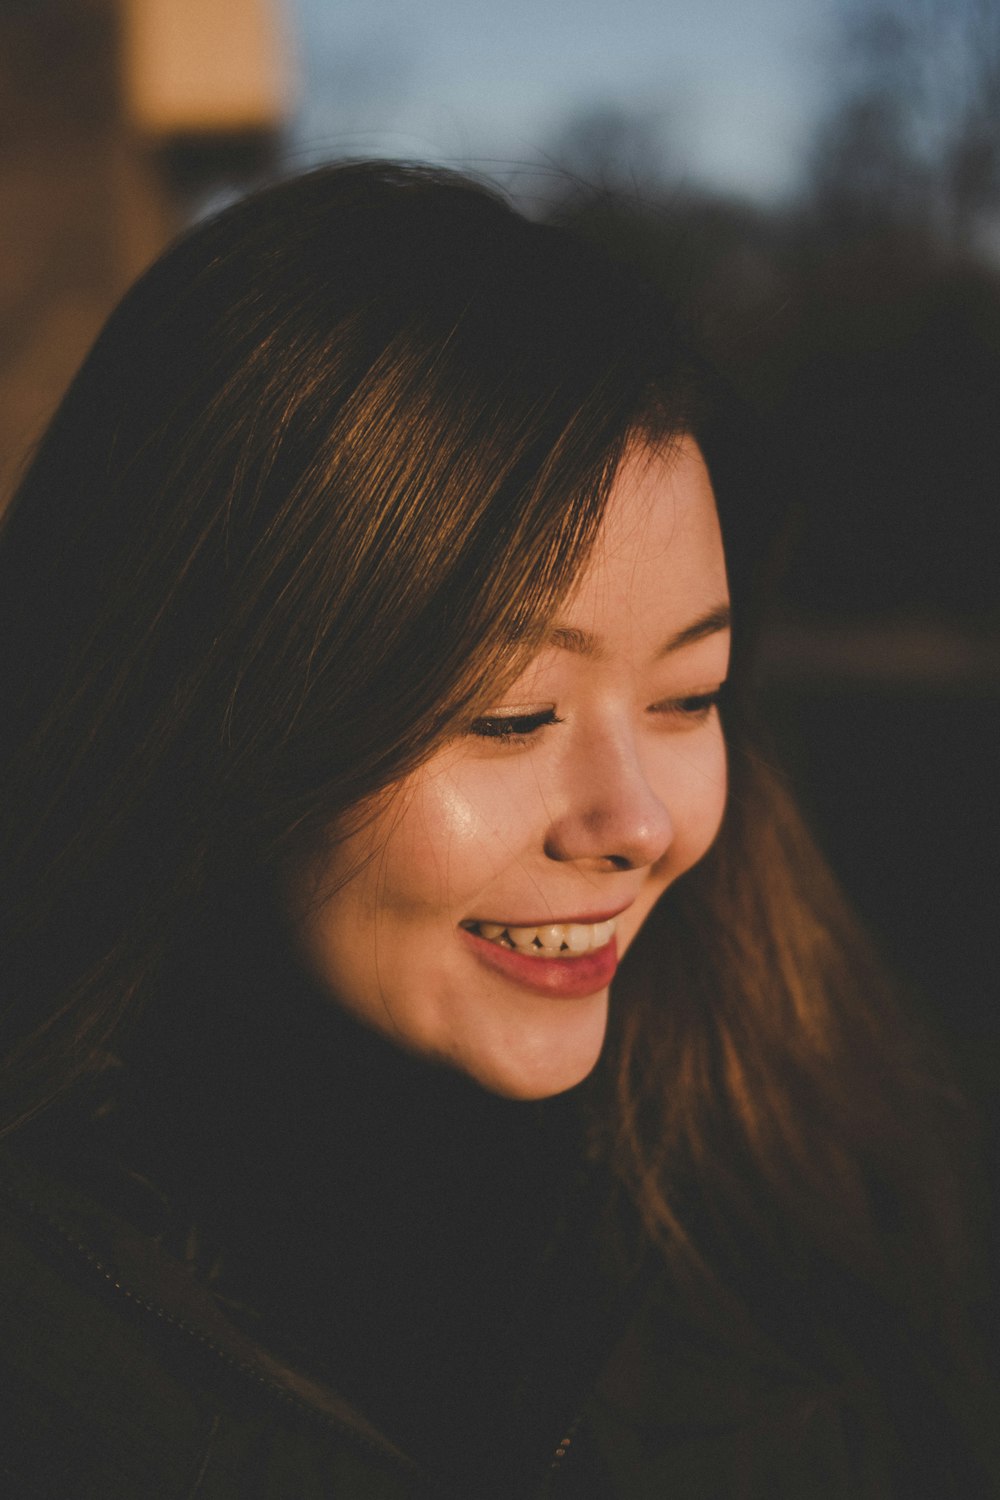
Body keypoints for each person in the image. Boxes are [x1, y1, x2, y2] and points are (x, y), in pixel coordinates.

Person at [0, 160, 993, 1499]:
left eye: (688, 696)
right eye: (510, 715)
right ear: (207, 694)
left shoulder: (795, 1156)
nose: (635, 821)